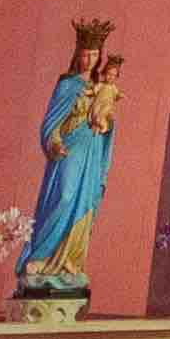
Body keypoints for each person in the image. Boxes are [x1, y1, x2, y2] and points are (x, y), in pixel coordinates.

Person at [19, 20, 123, 310]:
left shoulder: (101, 86)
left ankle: (69, 265)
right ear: (77, 53)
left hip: (90, 150)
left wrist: (108, 122)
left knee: (84, 205)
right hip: (68, 149)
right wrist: (53, 141)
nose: (88, 58)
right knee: (63, 198)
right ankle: (41, 258)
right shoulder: (66, 85)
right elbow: (51, 121)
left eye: (94, 54)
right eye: (84, 53)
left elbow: (108, 117)